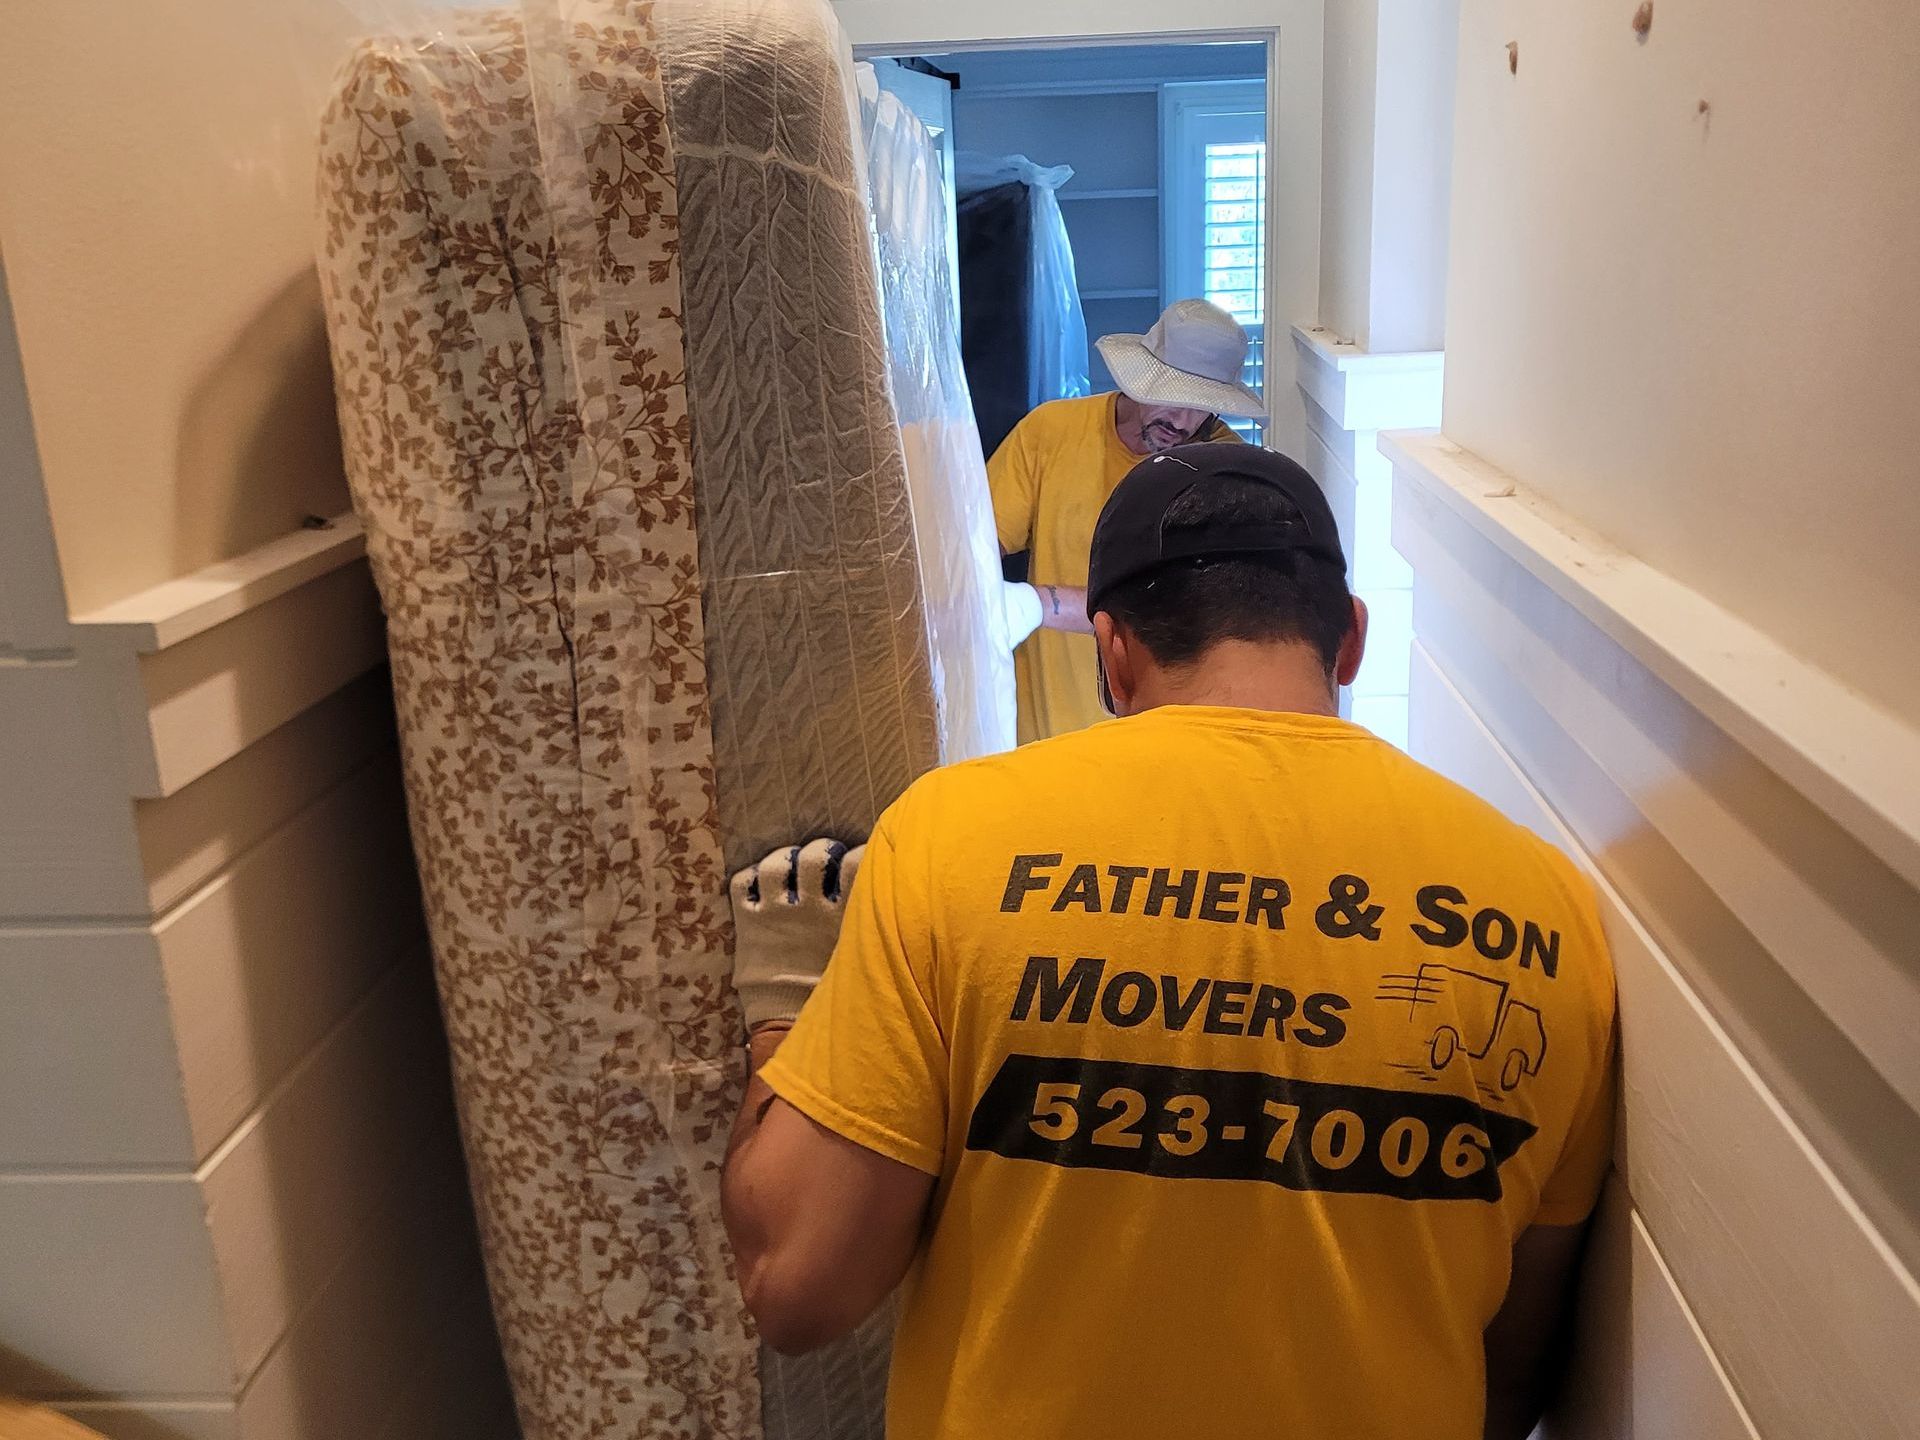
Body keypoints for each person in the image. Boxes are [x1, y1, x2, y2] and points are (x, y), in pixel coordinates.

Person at [722, 444, 1618, 1440]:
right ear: (1350, 640)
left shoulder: (954, 839)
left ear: (1112, 653)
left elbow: (796, 1286)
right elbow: (1515, 1370)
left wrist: (785, 1012)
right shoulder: (1552, 911)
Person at [990, 297, 1265, 743]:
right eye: (1173, 395)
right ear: (1142, 377)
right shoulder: (1050, 433)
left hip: (1160, 749)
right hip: (1042, 741)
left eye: (1203, 406)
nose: (1183, 420)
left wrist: (1033, 604)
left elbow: (1176, 608)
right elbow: (974, 548)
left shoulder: (1223, 474)